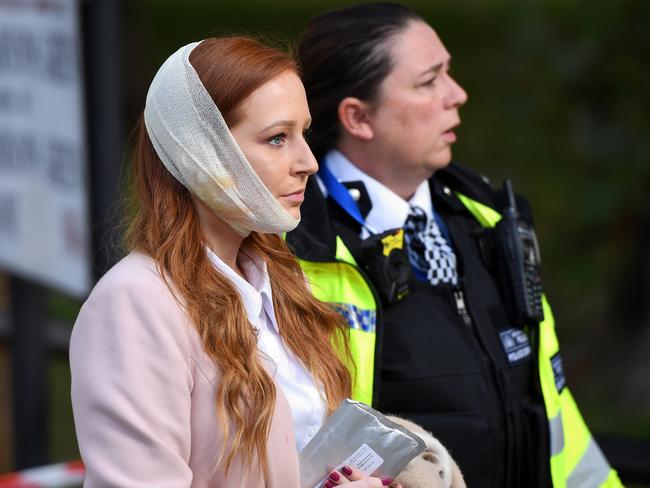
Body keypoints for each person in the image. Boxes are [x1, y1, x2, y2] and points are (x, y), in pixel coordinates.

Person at [286, 3, 623, 487]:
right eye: (429, 82)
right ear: (358, 118)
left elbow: (558, 425)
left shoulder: (492, 223)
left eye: (449, 73)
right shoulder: (290, 251)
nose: (457, 95)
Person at [70, 36, 398, 488]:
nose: (308, 162)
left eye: (305, 133)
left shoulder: (279, 281)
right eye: (277, 138)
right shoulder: (135, 302)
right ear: (201, 151)